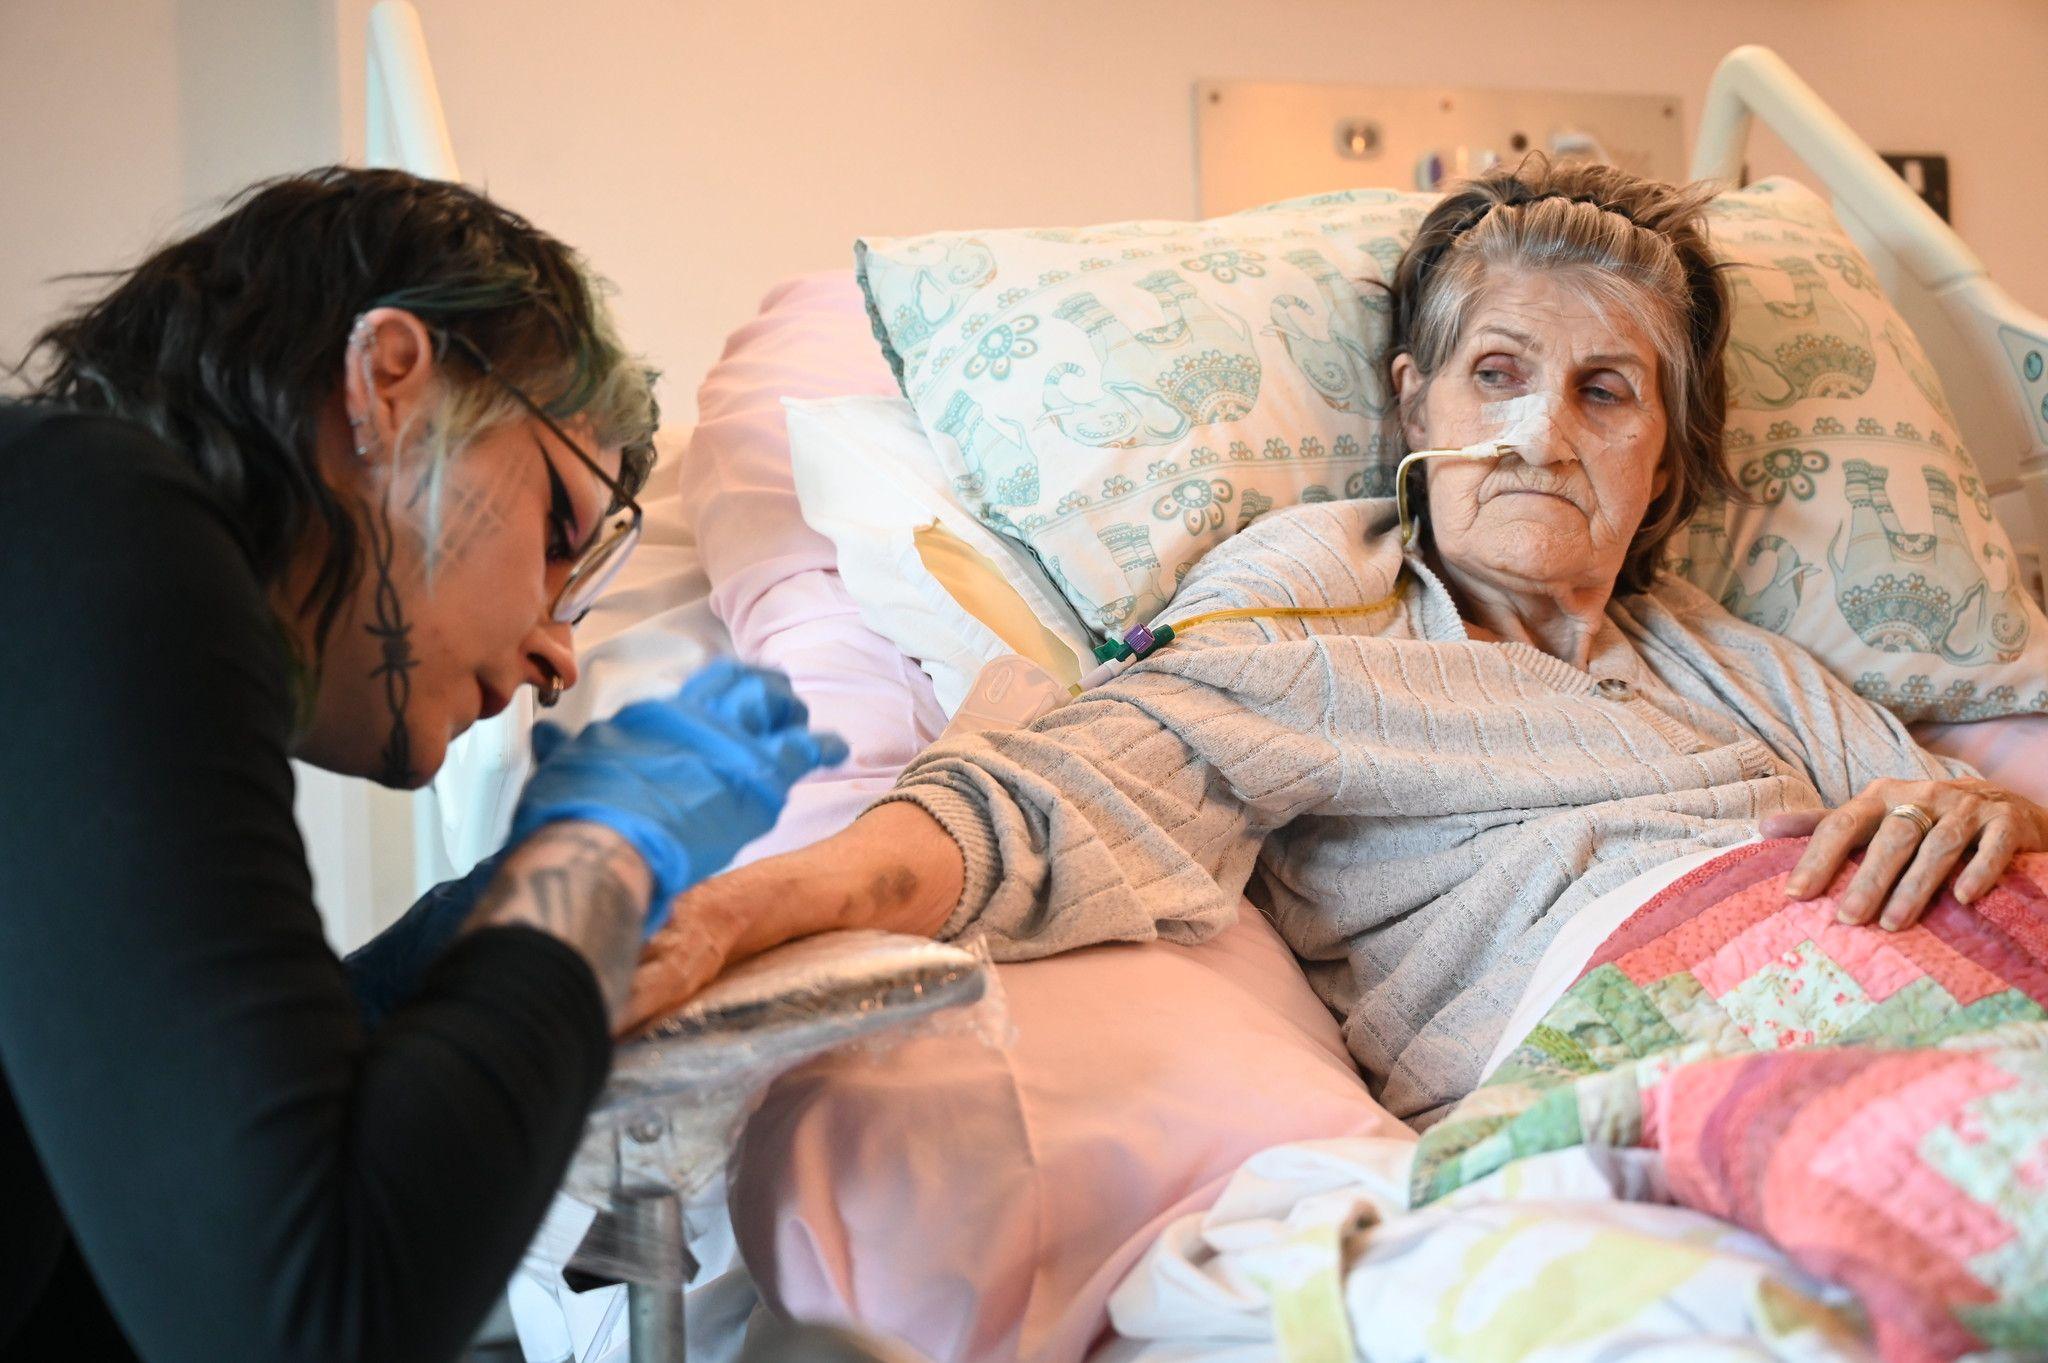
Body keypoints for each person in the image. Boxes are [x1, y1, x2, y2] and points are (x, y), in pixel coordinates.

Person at [621, 159, 2048, 1125]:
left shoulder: (1743, 660)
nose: (1539, 431)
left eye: (1605, 390)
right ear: (1415, 405)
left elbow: (1941, 817)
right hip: (1658, 1043)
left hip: (1948, 984)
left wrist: (1981, 810)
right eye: (1497, 373)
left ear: (1664, 468)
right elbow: (1064, 792)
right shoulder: (1317, 607)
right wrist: (734, 914)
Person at [0, 167, 841, 1362]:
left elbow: (133, 1267)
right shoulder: (94, 516)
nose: (559, 650)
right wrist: (590, 857)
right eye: (559, 529)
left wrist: (447, 957)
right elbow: (313, 1315)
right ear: (390, 380)